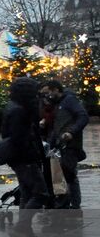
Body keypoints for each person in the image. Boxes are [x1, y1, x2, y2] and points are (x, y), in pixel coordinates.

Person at [0, 77, 47, 237]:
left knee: (27, 194)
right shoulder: (19, 111)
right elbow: (19, 138)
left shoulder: (14, 107)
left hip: (20, 159)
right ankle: (21, 227)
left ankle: (26, 233)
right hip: (25, 158)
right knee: (41, 194)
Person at [41, 79, 88, 209]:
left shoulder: (69, 100)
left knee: (69, 174)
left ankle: (73, 204)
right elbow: (58, 124)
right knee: (62, 174)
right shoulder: (58, 103)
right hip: (60, 145)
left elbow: (83, 116)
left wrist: (71, 132)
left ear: (56, 89)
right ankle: (66, 203)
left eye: (49, 92)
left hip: (70, 145)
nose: (48, 95)